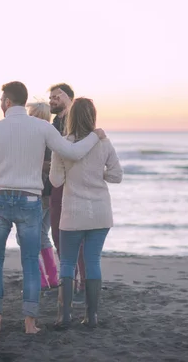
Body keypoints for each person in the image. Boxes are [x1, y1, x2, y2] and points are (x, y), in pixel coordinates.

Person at [0, 81, 106, 334]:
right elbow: (72, 152)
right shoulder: (43, 128)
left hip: (0, 199)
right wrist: (94, 136)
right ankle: (30, 323)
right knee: (28, 260)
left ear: (6, 102)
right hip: (30, 200)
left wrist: (2, 175)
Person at [49, 98, 123, 329]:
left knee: (68, 262)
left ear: (71, 118)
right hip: (100, 212)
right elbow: (116, 176)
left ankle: (64, 316)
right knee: (93, 260)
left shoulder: (63, 145)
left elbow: (55, 180)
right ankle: (92, 317)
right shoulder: (104, 144)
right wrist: (97, 173)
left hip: (73, 212)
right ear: (93, 117)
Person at [48, 83, 86, 306]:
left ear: (70, 98)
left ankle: (81, 282)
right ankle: (68, 281)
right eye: (50, 97)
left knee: (77, 237)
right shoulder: (53, 124)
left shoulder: (79, 123)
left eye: (57, 96)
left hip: (74, 186)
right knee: (57, 235)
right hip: (56, 186)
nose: (52, 100)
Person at [25, 101, 58, 291]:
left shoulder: (40, 138)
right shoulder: (51, 136)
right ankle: (52, 278)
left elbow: (48, 165)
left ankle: (41, 279)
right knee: (43, 235)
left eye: (33, 115)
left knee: (27, 237)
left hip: (39, 194)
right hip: (49, 194)